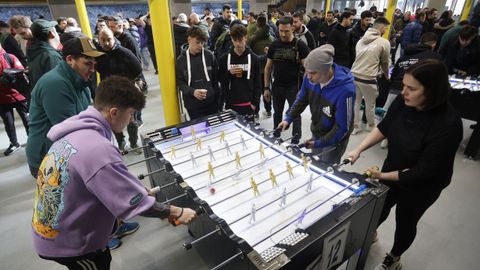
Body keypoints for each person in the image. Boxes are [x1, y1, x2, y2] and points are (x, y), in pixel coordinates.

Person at [32, 76, 197, 270]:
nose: (132, 120)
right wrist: (177, 212)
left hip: (54, 225)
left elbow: (98, 180)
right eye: (131, 114)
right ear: (114, 113)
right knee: (99, 264)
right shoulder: (98, 149)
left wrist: (134, 190)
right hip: (70, 243)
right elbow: (134, 203)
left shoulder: (77, 130)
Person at [346, 60, 463, 270]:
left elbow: (422, 172)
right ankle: (371, 232)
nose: (404, 92)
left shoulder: (448, 124)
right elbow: (384, 127)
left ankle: (394, 257)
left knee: (406, 220)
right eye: (404, 86)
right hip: (394, 166)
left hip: (424, 183)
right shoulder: (403, 102)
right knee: (378, 207)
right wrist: (358, 149)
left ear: (431, 91)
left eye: (411, 88)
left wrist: (381, 176)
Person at [26, 37, 104, 178]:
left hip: (66, 151)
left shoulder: (80, 81)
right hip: (49, 158)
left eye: (94, 64)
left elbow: (87, 118)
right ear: (69, 59)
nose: (93, 69)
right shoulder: (55, 84)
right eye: (87, 63)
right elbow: (69, 130)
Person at [277, 44, 355, 164]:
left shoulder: (345, 90)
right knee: (314, 163)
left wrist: (319, 143)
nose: (308, 76)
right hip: (318, 130)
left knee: (326, 168)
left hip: (335, 139)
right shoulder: (310, 78)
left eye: (312, 73)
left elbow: (342, 127)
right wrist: (289, 118)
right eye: (307, 72)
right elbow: (302, 98)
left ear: (325, 70)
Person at [264, 16, 310, 144]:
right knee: (277, 113)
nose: (283, 34)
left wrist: (303, 89)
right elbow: (268, 68)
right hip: (277, 86)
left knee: (295, 114)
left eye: (286, 31)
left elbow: (307, 69)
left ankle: (295, 139)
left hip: (293, 87)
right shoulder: (274, 44)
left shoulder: (300, 45)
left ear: (293, 29)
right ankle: (276, 134)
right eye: (281, 31)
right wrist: (266, 88)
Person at [350, 17, 391, 135]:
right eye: (386, 28)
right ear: (382, 27)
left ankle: (355, 126)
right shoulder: (384, 42)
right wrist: (387, 76)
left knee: (356, 103)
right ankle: (371, 125)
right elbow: (385, 62)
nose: (385, 31)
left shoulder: (361, 40)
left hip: (354, 75)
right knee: (370, 104)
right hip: (368, 78)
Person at [218, 24, 261, 121]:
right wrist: (229, 73)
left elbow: (257, 83)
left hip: (248, 104)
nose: (237, 44)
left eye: (240, 40)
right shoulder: (224, 59)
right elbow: (220, 80)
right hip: (230, 104)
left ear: (246, 38)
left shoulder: (254, 59)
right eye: (234, 40)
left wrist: (254, 103)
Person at [176, 26, 220, 120]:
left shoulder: (209, 56)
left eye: (202, 43)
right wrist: (193, 92)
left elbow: (216, 80)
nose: (200, 45)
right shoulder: (180, 60)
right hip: (193, 107)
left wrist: (218, 100)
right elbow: (180, 83)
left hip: (212, 104)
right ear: (189, 39)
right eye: (197, 42)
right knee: (198, 132)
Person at [0, 43, 29, 156]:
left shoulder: (10, 57)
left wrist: (10, 77)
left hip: (19, 96)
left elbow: (21, 72)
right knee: (8, 122)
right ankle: (14, 143)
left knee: (28, 120)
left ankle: (31, 139)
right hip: (2, 99)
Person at [27, 19, 62, 89]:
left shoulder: (32, 50)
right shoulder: (51, 56)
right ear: (51, 34)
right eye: (55, 31)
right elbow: (57, 84)